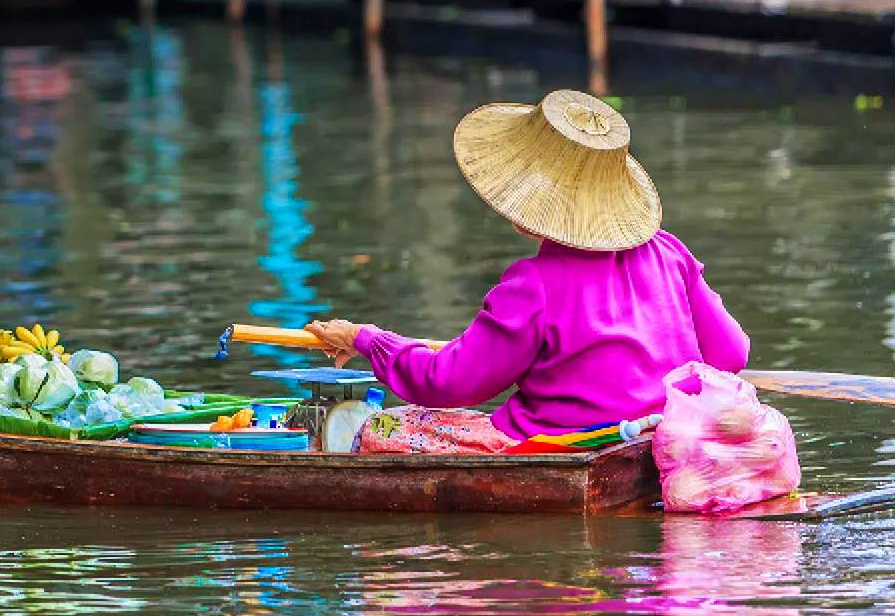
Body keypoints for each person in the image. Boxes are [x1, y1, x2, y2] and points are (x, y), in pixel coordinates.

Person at [305, 89, 750, 454]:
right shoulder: (670, 252)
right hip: (661, 440)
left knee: (383, 428)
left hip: (565, 447)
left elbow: (449, 381)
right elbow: (731, 353)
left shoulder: (533, 285)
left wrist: (369, 341)